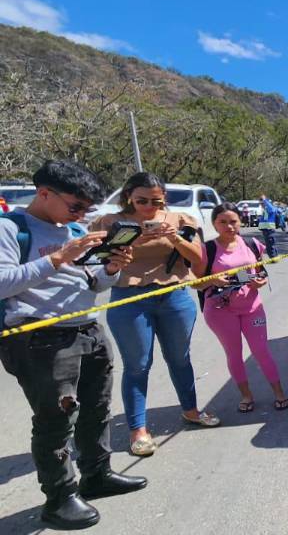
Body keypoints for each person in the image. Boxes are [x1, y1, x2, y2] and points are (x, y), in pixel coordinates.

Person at [0, 160, 146, 530]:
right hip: (41, 338)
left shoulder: (76, 229)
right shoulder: (9, 228)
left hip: (88, 330)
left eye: (87, 209)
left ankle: (96, 475)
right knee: (56, 420)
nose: (80, 215)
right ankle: (59, 497)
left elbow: (92, 283)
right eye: (75, 206)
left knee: (97, 409)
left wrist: (111, 268)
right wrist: (60, 256)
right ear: (44, 193)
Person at [91, 172, 220, 458]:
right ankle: (138, 430)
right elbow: (98, 262)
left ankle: (191, 410)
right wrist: (135, 240)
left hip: (174, 296)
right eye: (141, 200)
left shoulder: (180, 220)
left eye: (156, 201)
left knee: (180, 358)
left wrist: (173, 237)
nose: (149, 207)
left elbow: (199, 264)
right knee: (137, 365)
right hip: (129, 298)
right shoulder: (109, 222)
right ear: (128, 197)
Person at [199, 203, 288, 413]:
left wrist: (261, 281)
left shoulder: (251, 243)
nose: (229, 226)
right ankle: (246, 396)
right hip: (220, 311)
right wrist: (213, 281)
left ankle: (279, 393)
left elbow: (261, 272)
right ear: (214, 224)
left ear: (241, 221)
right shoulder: (207, 249)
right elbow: (195, 283)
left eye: (233, 221)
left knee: (261, 351)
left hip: (252, 308)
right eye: (223, 222)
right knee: (234, 354)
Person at [258, 194, 279, 258]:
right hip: (265, 229)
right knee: (269, 244)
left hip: (269, 229)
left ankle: (273, 257)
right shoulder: (265, 210)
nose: (261, 205)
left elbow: (272, 209)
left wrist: (264, 200)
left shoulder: (270, 209)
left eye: (262, 203)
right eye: (261, 203)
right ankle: (273, 256)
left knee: (270, 244)